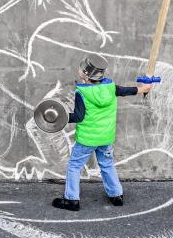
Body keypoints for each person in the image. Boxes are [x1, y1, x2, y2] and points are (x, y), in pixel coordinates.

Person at [51, 54, 154, 211]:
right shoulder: (111, 87)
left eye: (81, 68)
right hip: (106, 138)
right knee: (106, 164)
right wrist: (143, 89)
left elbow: (78, 116)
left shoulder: (82, 93)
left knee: (74, 165)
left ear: (85, 74)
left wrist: (60, 117)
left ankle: (71, 199)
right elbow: (127, 90)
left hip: (87, 139)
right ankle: (116, 195)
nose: (79, 69)